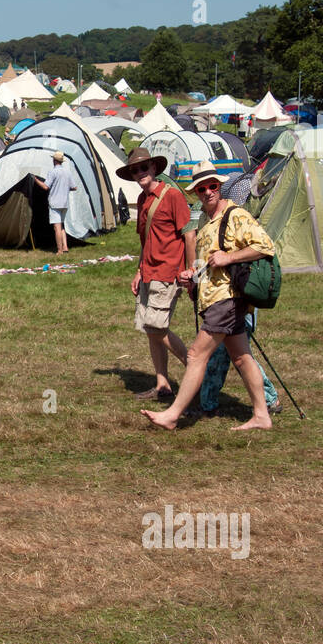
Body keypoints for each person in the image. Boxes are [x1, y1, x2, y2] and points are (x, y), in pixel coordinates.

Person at [142, 161, 274, 432]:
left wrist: (230, 257)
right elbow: (205, 259)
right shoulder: (204, 218)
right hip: (213, 296)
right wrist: (192, 273)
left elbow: (265, 246)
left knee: (195, 355)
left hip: (227, 297)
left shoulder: (236, 215)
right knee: (241, 357)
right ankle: (262, 415)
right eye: (202, 189)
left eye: (212, 186)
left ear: (220, 186)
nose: (208, 192)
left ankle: (173, 414)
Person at [120, 147, 193, 402]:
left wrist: (190, 270)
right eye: (134, 170)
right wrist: (139, 270)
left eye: (143, 168)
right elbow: (145, 239)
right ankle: (163, 385)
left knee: (156, 326)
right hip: (149, 272)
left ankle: (195, 367)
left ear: (154, 168)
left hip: (168, 271)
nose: (139, 173)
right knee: (150, 329)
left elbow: (189, 234)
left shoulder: (172, 196)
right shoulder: (142, 200)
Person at [32, 150, 77, 255]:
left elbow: (45, 186)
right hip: (65, 203)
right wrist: (64, 188)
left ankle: (59, 250)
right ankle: (65, 246)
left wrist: (35, 179)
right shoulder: (67, 172)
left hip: (55, 203)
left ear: (54, 160)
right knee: (61, 226)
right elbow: (74, 187)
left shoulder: (53, 172)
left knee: (56, 227)